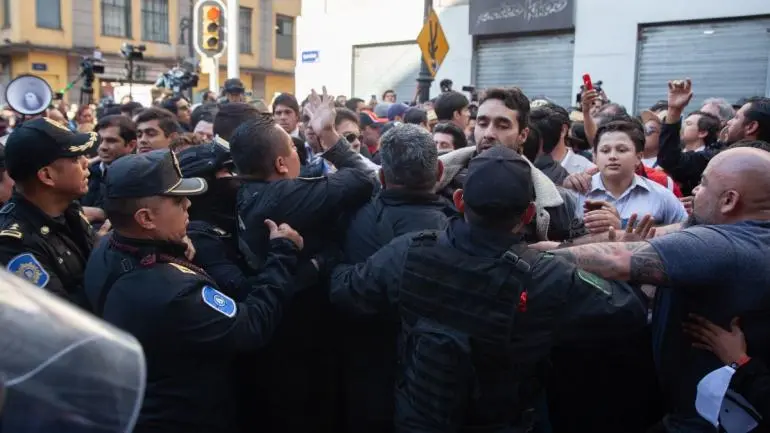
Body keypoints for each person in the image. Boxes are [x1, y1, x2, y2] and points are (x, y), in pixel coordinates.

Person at [329, 145, 647, 432]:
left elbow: (346, 290)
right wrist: (583, 254)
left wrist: (327, 255)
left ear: (458, 201)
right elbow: (627, 310)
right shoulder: (547, 276)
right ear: (529, 214)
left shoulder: (410, 250)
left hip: (418, 419)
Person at [549, 146, 770, 432]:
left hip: (700, 422)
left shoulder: (726, 246)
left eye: (703, 184)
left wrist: (519, 258)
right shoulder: (751, 234)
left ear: (729, 200)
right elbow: (658, 236)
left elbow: (617, 259)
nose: (694, 193)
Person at [84, 149, 303, 432]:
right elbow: (252, 325)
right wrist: (282, 254)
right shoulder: (178, 292)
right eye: (177, 200)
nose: (188, 204)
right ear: (146, 218)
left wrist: (171, 248)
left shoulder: (106, 247)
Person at [231, 91, 376, 433]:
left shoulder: (247, 189)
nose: (300, 154)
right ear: (281, 164)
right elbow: (363, 179)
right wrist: (328, 135)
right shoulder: (282, 196)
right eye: (294, 149)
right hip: (300, 334)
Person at [336, 124, 455, 433]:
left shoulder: (356, 217)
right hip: (438, 381)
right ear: (440, 170)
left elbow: (345, 292)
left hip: (368, 376)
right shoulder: (460, 228)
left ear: (384, 178)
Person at [437, 87, 587, 242]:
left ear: (523, 135)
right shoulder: (439, 180)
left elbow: (579, 243)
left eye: (502, 126)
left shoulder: (555, 202)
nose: (488, 134)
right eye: (482, 123)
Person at [0, 118, 99, 306]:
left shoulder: (69, 208)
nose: (87, 162)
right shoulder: (14, 244)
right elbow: (63, 319)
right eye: (76, 158)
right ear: (47, 175)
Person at [571, 120, 687, 227]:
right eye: (605, 151)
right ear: (595, 157)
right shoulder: (577, 193)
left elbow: (686, 232)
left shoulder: (661, 196)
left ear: (638, 157)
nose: (612, 156)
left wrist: (624, 227)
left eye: (622, 150)